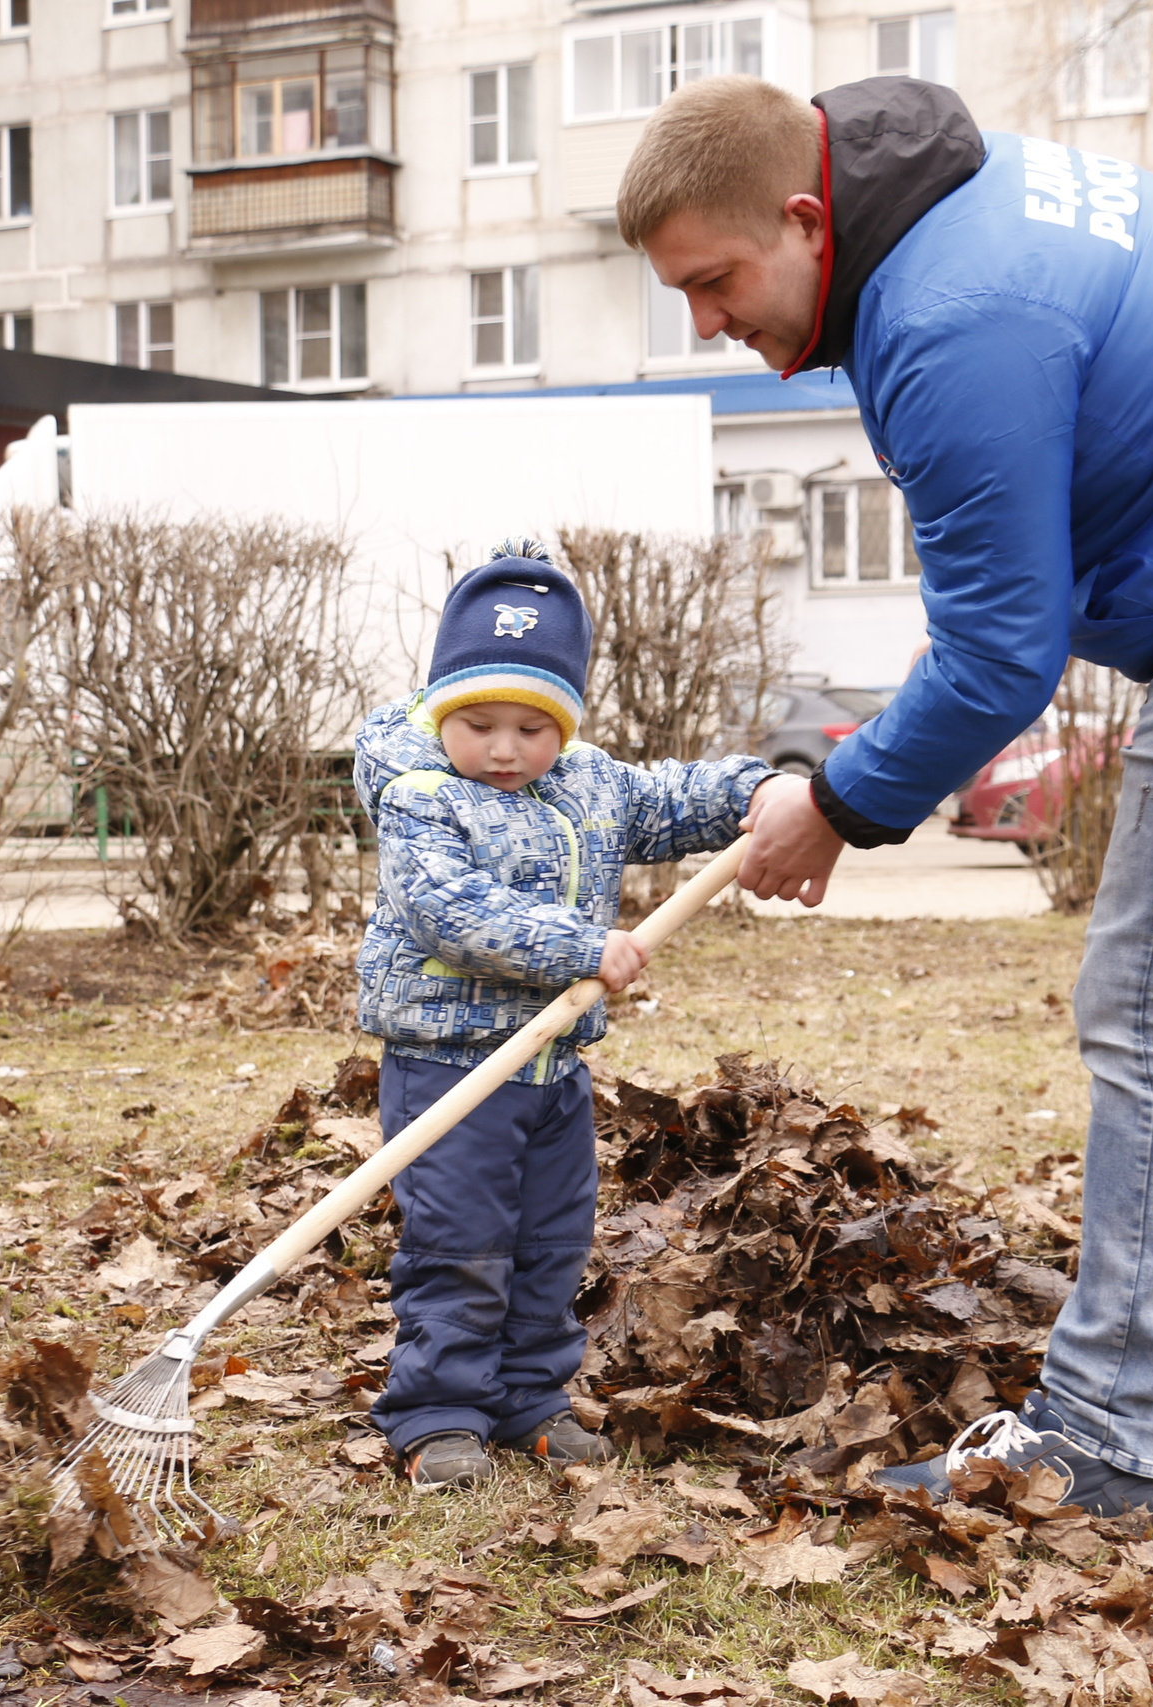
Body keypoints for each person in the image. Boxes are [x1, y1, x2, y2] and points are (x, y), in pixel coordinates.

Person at [621, 77, 1153, 1514]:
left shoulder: (950, 315)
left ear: (806, 218)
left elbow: (1001, 660)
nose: (708, 322)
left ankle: (1095, 1436)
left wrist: (833, 801)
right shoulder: (954, 215)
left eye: (715, 282)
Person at [353, 540, 787, 1490]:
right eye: (479, 723)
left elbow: (672, 798)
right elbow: (448, 909)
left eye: (533, 726)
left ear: (566, 722)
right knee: (462, 1243)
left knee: (552, 1239)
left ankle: (527, 1398)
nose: (505, 749)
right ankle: (439, 1412)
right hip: (452, 1066)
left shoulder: (590, 784)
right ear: (440, 709)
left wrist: (755, 791)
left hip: (552, 1069)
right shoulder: (421, 795)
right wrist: (577, 945)